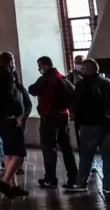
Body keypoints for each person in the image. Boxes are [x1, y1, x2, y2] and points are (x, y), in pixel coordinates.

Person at [64, 59, 110, 193]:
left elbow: (77, 104)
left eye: (82, 69)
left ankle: (81, 183)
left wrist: (76, 118)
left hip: (89, 125)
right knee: (108, 156)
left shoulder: (82, 85)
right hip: (109, 125)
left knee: (86, 155)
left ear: (87, 70)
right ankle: (108, 185)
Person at [28, 56, 78, 189]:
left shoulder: (46, 79)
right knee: (66, 147)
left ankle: (51, 178)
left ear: (45, 65)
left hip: (49, 116)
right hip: (63, 115)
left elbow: (32, 90)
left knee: (48, 147)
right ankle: (73, 176)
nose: (39, 69)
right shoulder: (61, 76)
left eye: (39, 66)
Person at [0, 52, 29, 198]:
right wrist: (17, 114)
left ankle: (14, 186)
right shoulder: (6, 76)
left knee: (9, 151)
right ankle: (5, 182)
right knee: (19, 152)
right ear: (11, 61)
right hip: (9, 118)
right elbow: (10, 97)